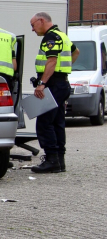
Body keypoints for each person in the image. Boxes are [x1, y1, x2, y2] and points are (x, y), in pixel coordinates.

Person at [28, 12, 79, 173]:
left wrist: (42, 84)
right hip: (61, 84)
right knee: (57, 122)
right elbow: (76, 52)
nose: (32, 29)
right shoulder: (61, 36)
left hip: (52, 85)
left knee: (44, 122)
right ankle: (59, 160)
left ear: (41, 20)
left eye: (33, 25)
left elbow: (52, 61)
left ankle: (51, 160)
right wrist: (64, 70)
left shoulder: (50, 37)